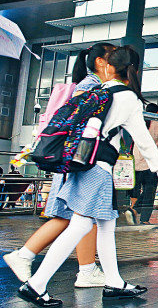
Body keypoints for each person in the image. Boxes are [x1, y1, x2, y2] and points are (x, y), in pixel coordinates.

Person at [17, 46, 158, 306]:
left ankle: (114, 282)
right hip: (98, 167)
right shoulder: (127, 97)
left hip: (80, 162)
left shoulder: (100, 91)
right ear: (132, 70)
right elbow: (143, 139)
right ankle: (36, 284)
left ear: (110, 68)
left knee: (105, 223)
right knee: (80, 225)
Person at [4, 43, 115, 290]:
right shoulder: (91, 86)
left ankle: (85, 270)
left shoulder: (88, 84)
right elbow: (76, 120)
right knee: (77, 216)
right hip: (76, 160)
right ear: (100, 62)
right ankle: (25, 255)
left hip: (76, 160)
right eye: (114, 57)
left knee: (80, 217)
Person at [127, 103, 158, 225]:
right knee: (149, 192)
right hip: (152, 164)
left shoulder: (138, 123)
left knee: (139, 191)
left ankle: (134, 210)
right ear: (157, 113)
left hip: (136, 163)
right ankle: (143, 219)